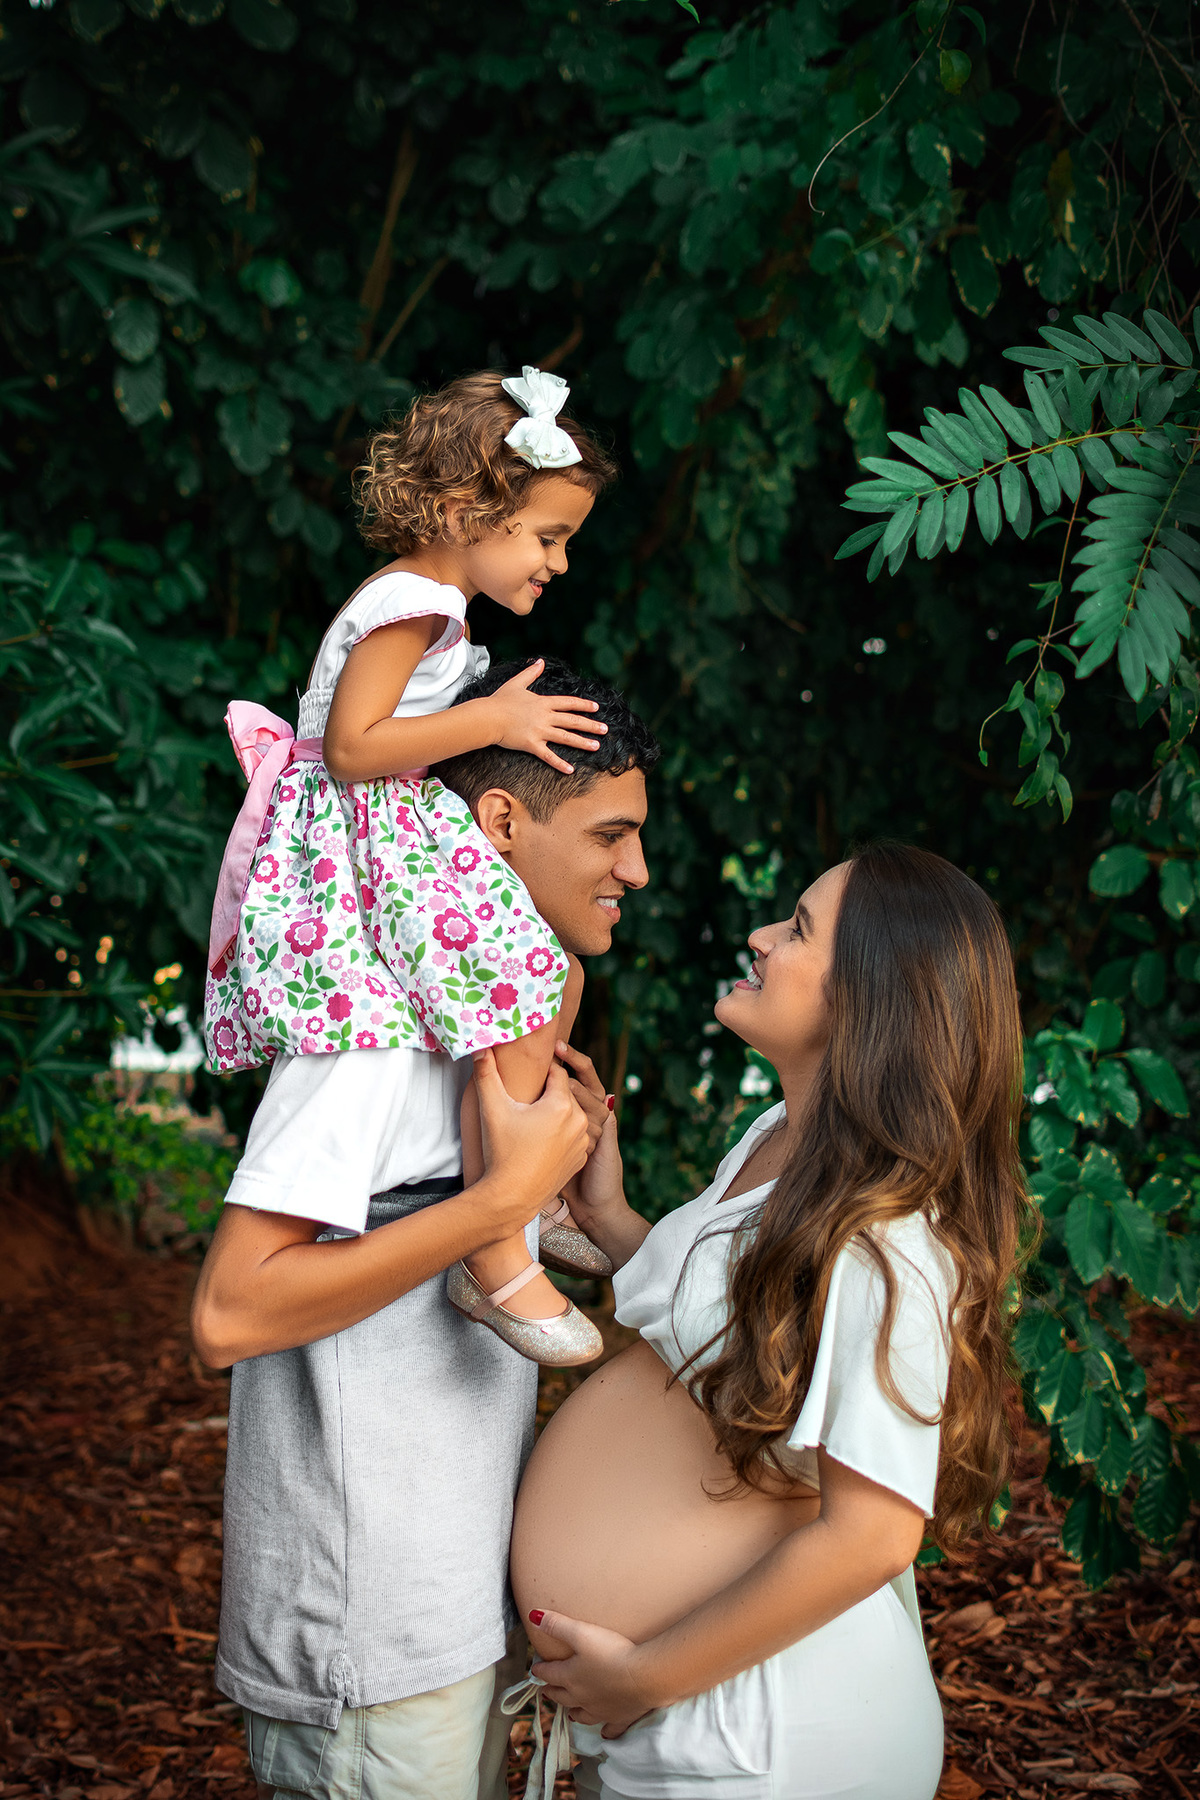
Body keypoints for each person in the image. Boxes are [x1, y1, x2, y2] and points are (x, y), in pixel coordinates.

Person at [190, 662, 657, 1800]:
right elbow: (228, 1314)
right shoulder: (368, 1034)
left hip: (452, 1616)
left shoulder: (496, 1018)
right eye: (611, 835)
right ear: (498, 823)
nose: (637, 870)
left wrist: (547, 1196)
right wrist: (491, 1211)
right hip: (367, 1637)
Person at [509, 842, 1033, 1800]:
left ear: (870, 997)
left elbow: (873, 1537)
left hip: (768, 1738)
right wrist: (609, 1215)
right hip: (691, 1726)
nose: (759, 935)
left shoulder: (890, 1241)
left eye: (797, 928)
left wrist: (645, 1675)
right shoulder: (779, 1143)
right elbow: (724, 1337)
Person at [204, 366, 621, 1362]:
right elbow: (353, 747)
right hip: (365, 836)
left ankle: (522, 1197)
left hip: (388, 828)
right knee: (524, 979)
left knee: (549, 978)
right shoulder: (417, 601)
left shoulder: (424, 599)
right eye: (547, 537)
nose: (559, 563)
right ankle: (498, 1241)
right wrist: (494, 720)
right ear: (468, 510)